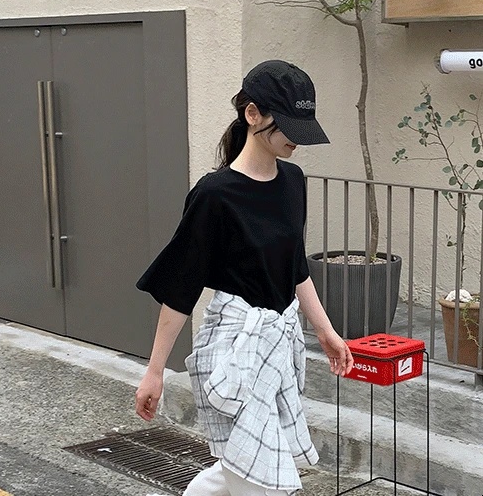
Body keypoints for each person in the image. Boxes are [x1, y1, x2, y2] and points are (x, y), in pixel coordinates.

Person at [135, 60, 354, 496]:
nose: (297, 138)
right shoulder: (214, 194)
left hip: (276, 345)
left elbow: (294, 267)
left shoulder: (292, 180)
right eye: (288, 125)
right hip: (234, 348)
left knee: (241, 466)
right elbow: (181, 288)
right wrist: (154, 372)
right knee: (261, 476)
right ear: (252, 114)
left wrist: (325, 331)